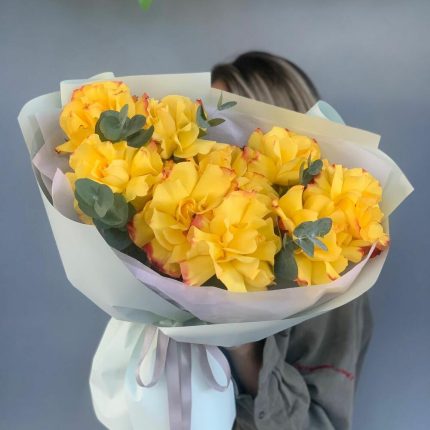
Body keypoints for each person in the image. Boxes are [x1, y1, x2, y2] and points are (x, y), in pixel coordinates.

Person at [211, 51, 373, 430]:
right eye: (208, 121)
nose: (211, 140)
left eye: (230, 126)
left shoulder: (332, 266)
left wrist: (245, 350)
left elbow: (321, 422)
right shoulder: (202, 231)